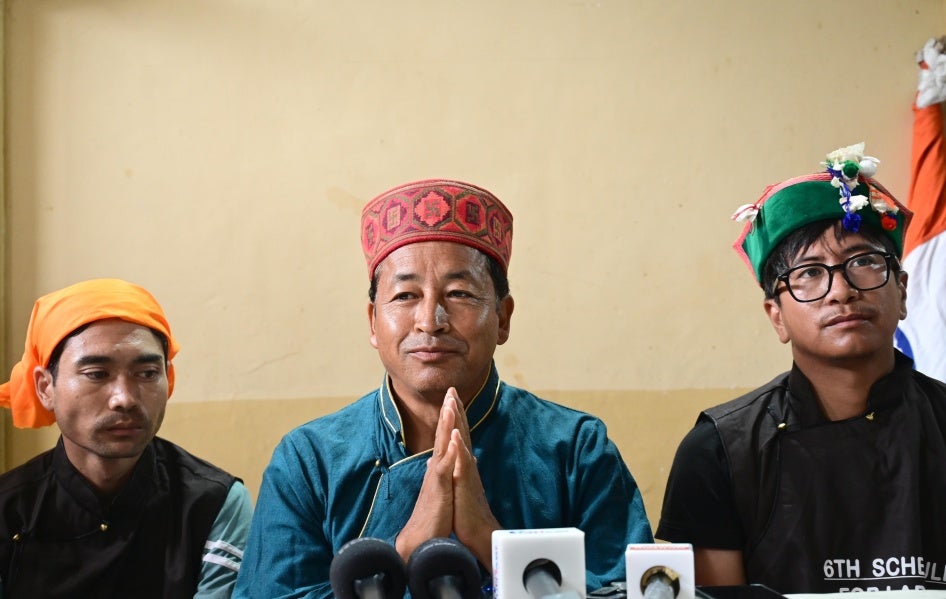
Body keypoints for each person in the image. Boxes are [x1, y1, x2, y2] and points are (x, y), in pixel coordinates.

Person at [234, 179, 653, 598]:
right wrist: (406, 548)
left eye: (459, 293)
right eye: (404, 295)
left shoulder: (575, 449)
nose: (430, 320)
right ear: (372, 323)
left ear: (503, 318)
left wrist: (490, 541)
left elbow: (632, 590)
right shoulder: (310, 461)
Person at [656, 143, 946, 593]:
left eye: (864, 262)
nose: (841, 291)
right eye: (810, 272)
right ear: (776, 315)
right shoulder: (719, 451)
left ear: (903, 291)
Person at [0, 278, 253, 598]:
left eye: (146, 374)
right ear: (45, 387)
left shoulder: (213, 505)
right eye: (97, 374)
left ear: (168, 378)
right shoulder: (8, 510)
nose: (124, 398)